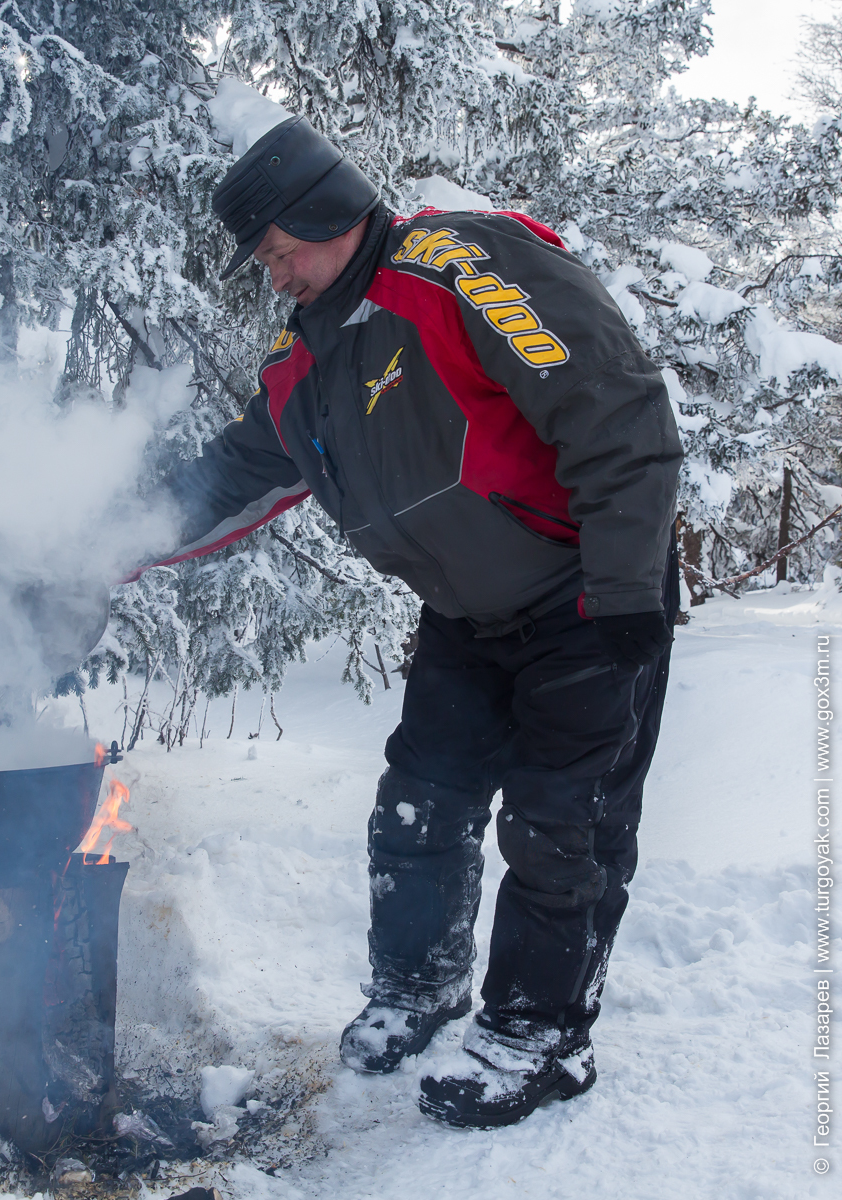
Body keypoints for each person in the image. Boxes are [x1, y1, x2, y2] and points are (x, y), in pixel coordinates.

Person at [139, 115, 682, 1128]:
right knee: (418, 811)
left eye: (280, 249)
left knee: (561, 825)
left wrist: (624, 597)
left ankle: (537, 1036)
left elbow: (614, 410)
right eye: (263, 259)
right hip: (468, 615)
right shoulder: (302, 360)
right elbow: (234, 478)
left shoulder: (457, 267)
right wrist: (103, 540)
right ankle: (416, 990)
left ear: (327, 213)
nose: (276, 274)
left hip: (585, 596)